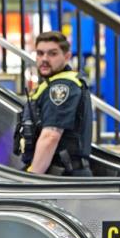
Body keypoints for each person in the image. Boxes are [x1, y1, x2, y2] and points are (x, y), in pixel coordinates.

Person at [15, 31, 92, 176]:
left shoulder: (61, 87)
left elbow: (50, 137)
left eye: (52, 54)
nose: (44, 59)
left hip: (62, 178)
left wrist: (32, 179)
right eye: (40, 53)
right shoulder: (52, 84)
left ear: (67, 56)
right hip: (57, 174)